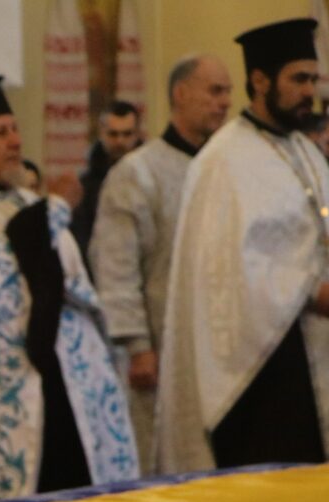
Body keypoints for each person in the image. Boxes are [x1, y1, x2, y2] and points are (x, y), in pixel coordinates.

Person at [0, 76, 139, 502]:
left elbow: (72, 281)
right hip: (7, 396)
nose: (16, 141)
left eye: (15, 129)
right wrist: (55, 209)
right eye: (0, 133)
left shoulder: (25, 201)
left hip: (64, 390)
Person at [158, 18, 329, 473]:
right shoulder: (223, 161)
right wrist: (310, 291)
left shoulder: (307, 151)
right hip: (265, 372)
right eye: (299, 79)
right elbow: (223, 274)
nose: (310, 90)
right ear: (260, 80)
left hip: (325, 354)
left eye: (314, 78)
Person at [90, 55, 232, 473]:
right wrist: (137, 346)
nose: (225, 102)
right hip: (160, 351)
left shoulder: (227, 168)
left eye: (228, 91)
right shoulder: (138, 172)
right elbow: (115, 265)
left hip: (221, 347)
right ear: (180, 94)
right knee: (165, 463)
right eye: (215, 90)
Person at [69, 100, 141, 262]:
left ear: (137, 134)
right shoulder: (85, 186)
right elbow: (81, 239)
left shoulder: (149, 178)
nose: (120, 142)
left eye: (127, 134)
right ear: (102, 134)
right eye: (113, 134)